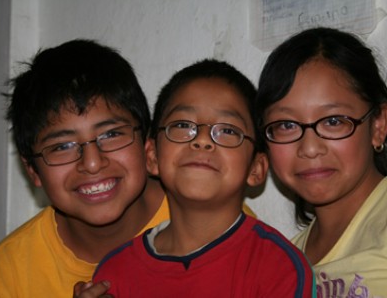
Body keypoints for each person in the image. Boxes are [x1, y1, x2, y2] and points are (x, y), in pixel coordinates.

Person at [0, 40, 256, 297]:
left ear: (147, 143)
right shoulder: (8, 275)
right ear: (32, 170)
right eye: (61, 147)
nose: (92, 162)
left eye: (112, 134)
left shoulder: (218, 221)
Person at [93, 59, 315, 297]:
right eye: (182, 125)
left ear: (256, 168)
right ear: (152, 156)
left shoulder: (277, 267)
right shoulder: (114, 274)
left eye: (228, 130)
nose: (202, 139)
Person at [254, 27, 387, 297]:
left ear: (378, 126)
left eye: (334, 121)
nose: (310, 149)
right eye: (287, 125)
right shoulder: (280, 262)